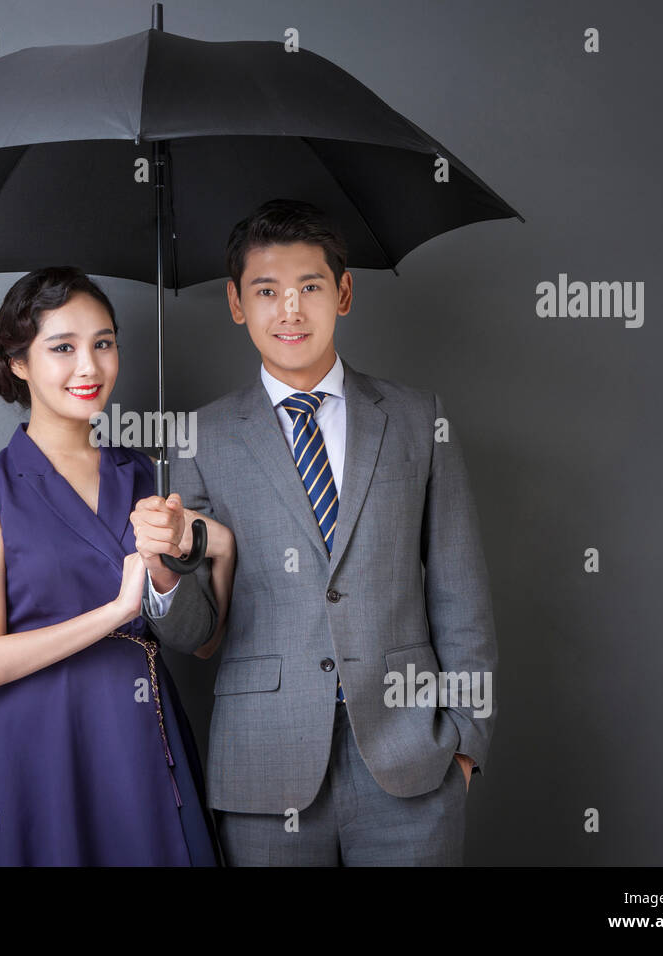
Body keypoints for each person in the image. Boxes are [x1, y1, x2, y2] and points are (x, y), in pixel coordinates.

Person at [131, 199, 499, 865]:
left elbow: (461, 591)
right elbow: (191, 633)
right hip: (263, 771)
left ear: (345, 292)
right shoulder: (201, 437)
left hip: (412, 763)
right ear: (237, 303)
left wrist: (467, 742)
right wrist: (163, 567)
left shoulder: (418, 419)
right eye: (266, 291)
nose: (290, 310)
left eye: (309, 287)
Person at [0, 266, 235, 865]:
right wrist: (114, 613)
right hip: (36, 747)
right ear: (19, 363)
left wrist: (182, 556)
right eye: (63, 348)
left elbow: (203, 641)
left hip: (140, 737)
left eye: (104, 343)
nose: (90, 367)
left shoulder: (151, 478)